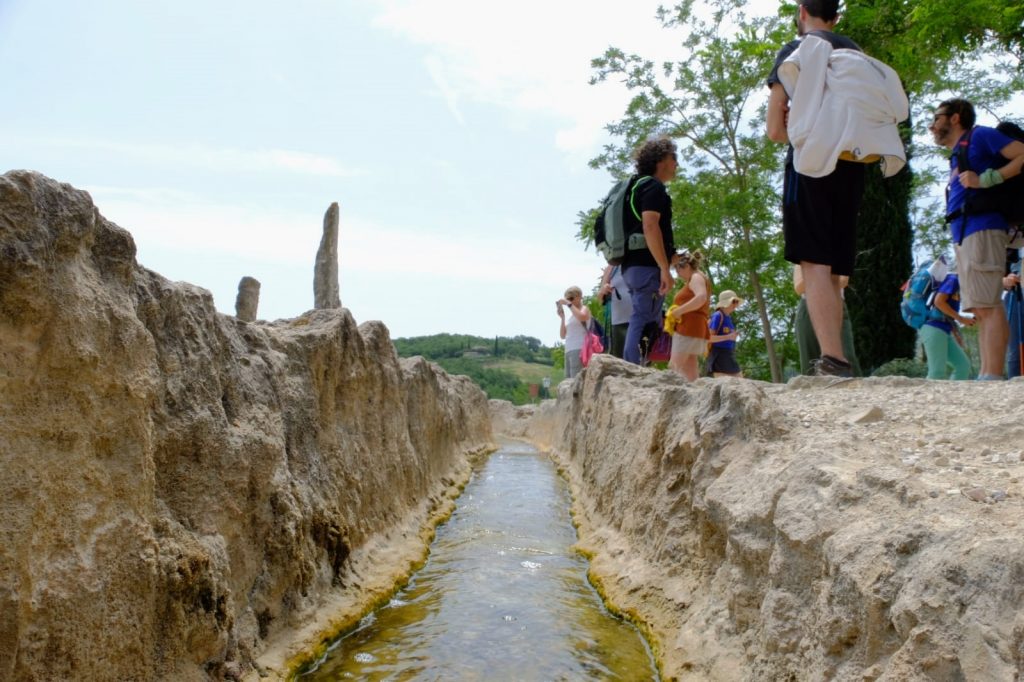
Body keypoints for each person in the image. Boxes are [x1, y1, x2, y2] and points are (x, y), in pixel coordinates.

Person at [766, 0, 867, 378]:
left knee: (814, 262)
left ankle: (833, 360)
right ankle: (839, 356)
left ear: (802, 12)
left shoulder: (796, 50)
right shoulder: (855, 52)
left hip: (810, 163)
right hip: (852, 162)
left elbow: (775, 129)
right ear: (836, 16)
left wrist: (792, 121)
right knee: (837, 265)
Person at [930, 98, 1024, 380]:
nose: (932, 126)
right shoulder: (958, 153)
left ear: (955, 117)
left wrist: (988, 179)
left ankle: (992, 375)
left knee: (988, 304)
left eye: (937, 118)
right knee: (981, 307)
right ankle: (987, 373)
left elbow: (1022, 153)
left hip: (982, 228)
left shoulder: (980, 135)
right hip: (967, 232)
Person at [621, 137, 678, 365]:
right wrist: (664, 268)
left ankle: (639, 365)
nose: (677, 165)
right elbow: (650, 226)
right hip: (646, 267)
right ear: (662, 159)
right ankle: (633, 369)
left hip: (631, 266)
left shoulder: (634, 187)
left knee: (646, 317)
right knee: (644, 317)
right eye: (674, 158)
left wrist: (670, 258)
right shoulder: (653, 187)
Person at [792, 264, 861, 375]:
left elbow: (843, 281)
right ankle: (812, 391)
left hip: (836, 307)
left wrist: (816, 276)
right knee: (809, 359)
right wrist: (825, 276)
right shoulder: (803, 258)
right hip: (807, 309)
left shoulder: (837, 252)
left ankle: (854, 387)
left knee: (846, 355)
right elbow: (799, 288)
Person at [921, 272, 973, 380]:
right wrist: (962, 319)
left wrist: (956, 333)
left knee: (963, 365)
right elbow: (939, 302)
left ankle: (953, 395)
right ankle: (925, 397)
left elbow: (947, 313)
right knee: (937, 372)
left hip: (944, 330)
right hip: (934, 328)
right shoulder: (953, 279)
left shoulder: (958, 286)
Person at [667, 250, 709, 381]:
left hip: (688, 327)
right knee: (690, 370)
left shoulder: (696, 277)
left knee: (674, 367)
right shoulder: (699, 277)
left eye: (677, 270)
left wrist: (678, 311)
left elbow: (701, 297)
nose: (678, 274)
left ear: (684, 266)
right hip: (696, 328)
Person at [598, 264, 633, 359]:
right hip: (619, 321)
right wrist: (604, 289)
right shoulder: (612, 267)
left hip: (641, 318)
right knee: (620, 359)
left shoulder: (642, 258)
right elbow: (600, 299)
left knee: (641, 357)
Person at [707, 290, 743, 378]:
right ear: (726, 303)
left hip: (728, 353)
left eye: (736, 301)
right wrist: (728, 337)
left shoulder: (728, 318)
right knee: (734, 382)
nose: (736, 304)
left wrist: (732, 337)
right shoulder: (718, 316)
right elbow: (709, 338)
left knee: (738, 381)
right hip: (718, 353)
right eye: (734, 301)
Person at [557, 286, 591, 380]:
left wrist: (568, 304)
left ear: (579, 297)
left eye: (571, 298)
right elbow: (563, 335)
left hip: (578, 348)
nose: (570, 301)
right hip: (569, 350)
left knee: (575, 381)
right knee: (568, 381)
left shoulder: (584, 308)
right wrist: (562, 317)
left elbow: (582, 317)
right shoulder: (572, 316)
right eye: (568, 299)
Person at [1004, 248, 1023, 377]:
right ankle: (1014, 390)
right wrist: (1005, 280)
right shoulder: (1011, 240)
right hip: (1015, 294)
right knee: (1015, 349)